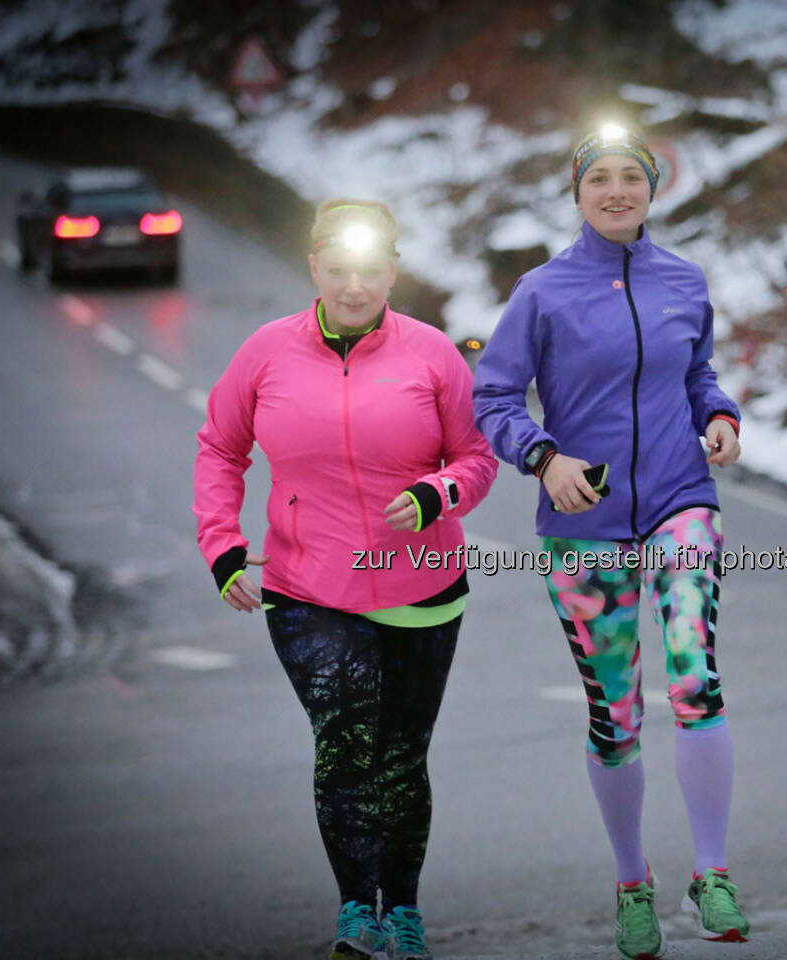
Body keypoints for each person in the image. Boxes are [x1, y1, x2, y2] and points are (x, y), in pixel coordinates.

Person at [193, 199, 498, 960]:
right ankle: (357, 910)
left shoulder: (432, 354)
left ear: (393, 270)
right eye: (339, 270)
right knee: (347, 742)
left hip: (423, 583)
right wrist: (224, 545)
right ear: (314, 268)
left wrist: (438, 493)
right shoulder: (266, 352)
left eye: (370, 271)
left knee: (401, 756)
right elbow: (219, 450)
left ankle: (405, 910)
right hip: (308, 589)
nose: (355, 286)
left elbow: (478, 458)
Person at [472, 124, 750, 960]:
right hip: (583, 522)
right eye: (602, 179)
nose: (618, 191)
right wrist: (542, 456)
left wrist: (721, 415)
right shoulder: (542, 292)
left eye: (634, 177)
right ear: (578, 191)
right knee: (615, 715)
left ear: (653, 191)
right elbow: (494, 400)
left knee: (694, 674)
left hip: (679, 501)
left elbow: (697, 371)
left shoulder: (684, 281)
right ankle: (634, 883)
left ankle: (713, 872)